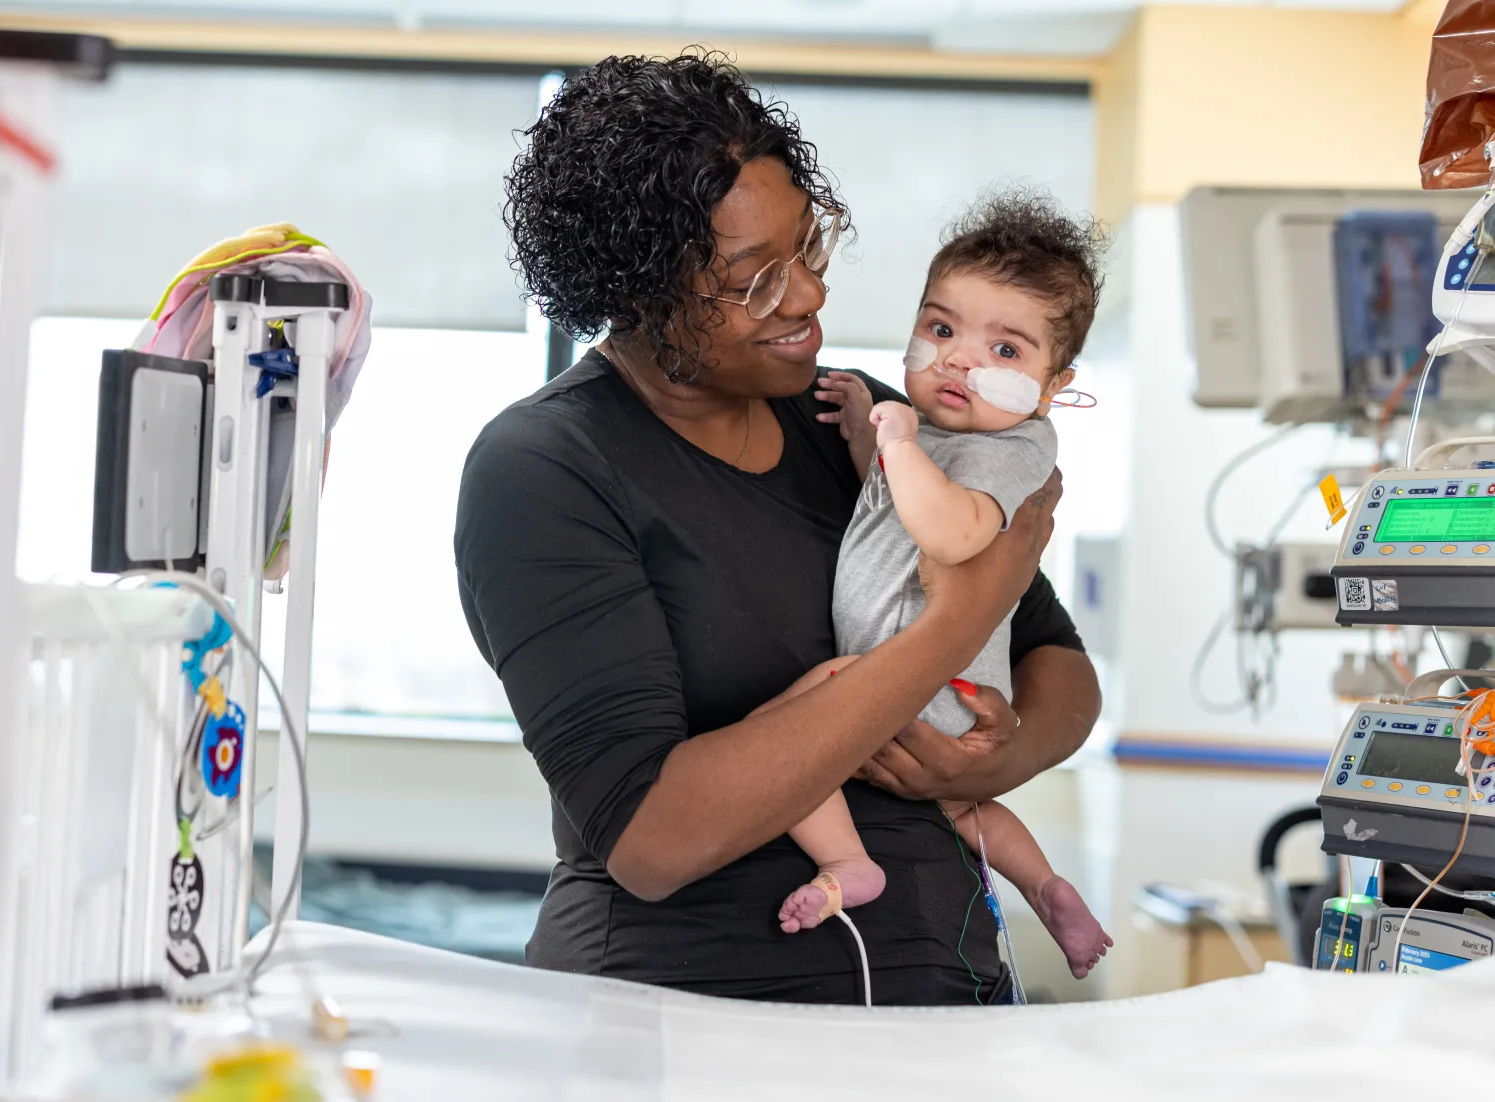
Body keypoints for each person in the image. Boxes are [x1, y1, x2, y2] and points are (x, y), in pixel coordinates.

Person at [455, 52, 1101, 1005]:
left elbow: (1061, 666)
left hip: (944, 995)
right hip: (680, 1017)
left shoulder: (865, 421)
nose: (809, 297)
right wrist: (952, 630)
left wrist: (993, 758)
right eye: (756, 281)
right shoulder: (546, 470)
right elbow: (654, 839)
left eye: (810, 249)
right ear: (640, 292)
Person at [769, 192, 1114, 982]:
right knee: (963, 808)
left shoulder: (1013, 450)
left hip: (912, 675)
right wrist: (870, 433)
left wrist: (895, 436)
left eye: (1006, 350)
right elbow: (888, 508)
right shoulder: (950, 436)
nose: (959, 359)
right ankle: (1045, 886)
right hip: (942, 688)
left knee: (785, 741)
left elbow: (952, 531)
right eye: (942, 329)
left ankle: (849, 864)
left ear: (1054, 385)